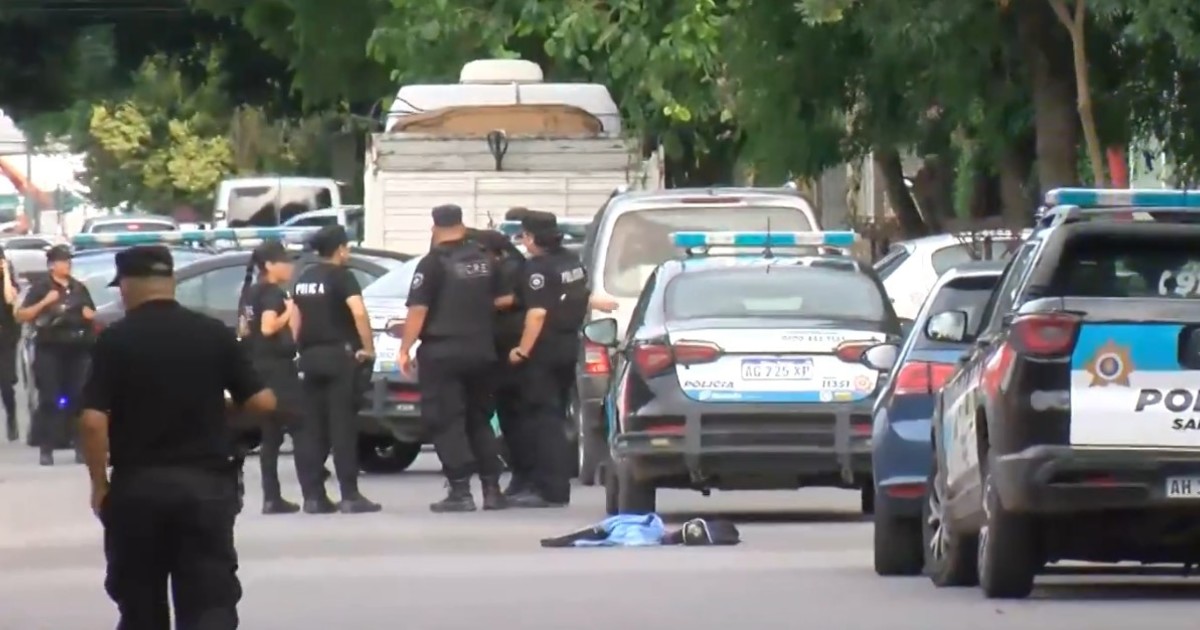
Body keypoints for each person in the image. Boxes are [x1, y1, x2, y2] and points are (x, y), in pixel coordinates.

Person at [78, 245, 277, 629]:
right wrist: (222, 414)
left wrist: (99, 484)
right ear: (170, 281)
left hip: (139, 488)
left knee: (140, 604)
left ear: (127, 286)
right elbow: (263, 402)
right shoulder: (213, 333)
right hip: (206, 487)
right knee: (210, 602)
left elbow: (91, 420)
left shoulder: (115, 340)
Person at [398, 204, 510, 513]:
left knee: (446, 420)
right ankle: (492, 489)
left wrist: (405, 348)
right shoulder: (485, 259)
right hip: (482, 350)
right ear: (462, 224)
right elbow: (505, 299)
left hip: (443, 352)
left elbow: (418, 309)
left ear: (434, 228)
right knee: (479, 419)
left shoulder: (432, 263)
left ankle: (460, 490)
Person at [292, 225, 380, 514]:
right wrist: (368, 348)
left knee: (313, 429)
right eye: (346, 247)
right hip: (339, 358)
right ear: (340, 249)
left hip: (310, 358)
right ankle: (350, 495)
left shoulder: (304, 278)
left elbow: (295, 319)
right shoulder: (343, 276)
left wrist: (298, 351)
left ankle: (313, 496)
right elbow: (358, 311)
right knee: (342, 427)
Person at [507, 210, 590, 508]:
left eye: (524, 236)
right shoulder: (571, 261)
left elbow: (538, 313)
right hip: (567, 345)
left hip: (544, 350)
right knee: (555, 416)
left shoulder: (538, 269)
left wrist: (522, 350)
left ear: (530, 237)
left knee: (544, 421)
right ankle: (551, 485)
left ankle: (550, 489)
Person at [238, 239, 304, 514]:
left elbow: (244, 329)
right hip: (278, 369)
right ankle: (314, 490)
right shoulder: (273, 294)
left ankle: (272, 496)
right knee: (303, 426)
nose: (290, 267)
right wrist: (289, 311)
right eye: (284, 262)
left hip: (258, 367)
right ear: (269, 265)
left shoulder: (250, 292)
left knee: (271, 435)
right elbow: (267, 327)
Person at [17, 244, 95, 466]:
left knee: (78, 397)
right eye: (62, 261)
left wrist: (89, 315)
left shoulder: (79, 288)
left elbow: (92, 312)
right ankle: (47, 448)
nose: (67, 265)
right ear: (52, 265)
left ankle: (80, 447)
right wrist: (45, 302)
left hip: (77, 349)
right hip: (50, 348)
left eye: (68, 261)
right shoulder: (41, 288)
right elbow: (22, 315)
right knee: (50, 398)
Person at [0, 247, 19, 442]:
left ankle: (12, 417)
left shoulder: (9, 283)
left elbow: (9, 299)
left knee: (6, 384)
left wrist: (5, 273)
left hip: (5, 338)